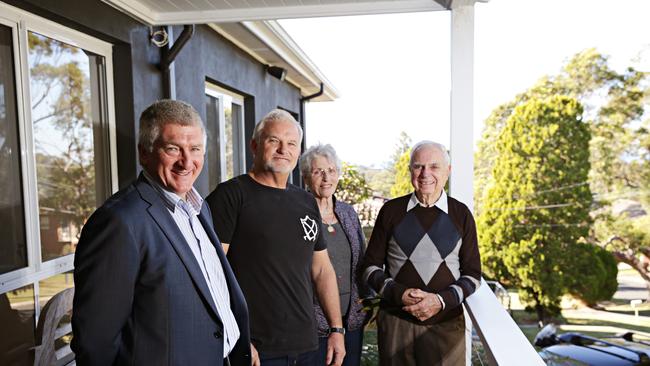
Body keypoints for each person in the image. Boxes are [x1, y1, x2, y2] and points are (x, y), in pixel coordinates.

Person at [71, 100, 251, 366]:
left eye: (195, 149)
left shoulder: (199, 208)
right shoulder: (120, 222)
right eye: (173, 149)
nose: (186, 161)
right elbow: (95, 341)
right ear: (144, 153)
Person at [206, 110, 345, 366]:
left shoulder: (305, 201)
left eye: (291, 143)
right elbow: (209, 274)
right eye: (273, 141)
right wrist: (236, 336)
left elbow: (322, 269)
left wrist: (337, 329)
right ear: (254, 145)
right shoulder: (230, 196)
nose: (283, 149)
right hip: (257, 349)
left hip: (307, 345)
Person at [360, 141, 481, 366]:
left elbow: (473, 275)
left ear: (448, 171)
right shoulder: (391, 211)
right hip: (397, 324)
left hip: (445, 326)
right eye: (418, 166)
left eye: (434, 166)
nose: (425, 174)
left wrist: (440, 301)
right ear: (410, 172)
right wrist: (399, 293)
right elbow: (369, 268)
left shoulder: (461, 214)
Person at [299, 144, 369, 366]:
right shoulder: (298, 214)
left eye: (331, 170)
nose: (326, 177)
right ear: (306, 178)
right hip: (313, 324)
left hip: (351, 321)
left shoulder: (348, 213)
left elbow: (361, 261)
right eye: (318, 171)